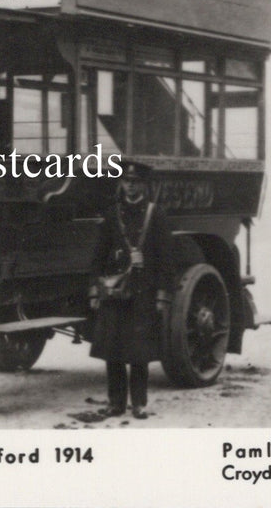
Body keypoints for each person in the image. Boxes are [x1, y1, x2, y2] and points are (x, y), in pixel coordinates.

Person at [90, 163, 176, 419]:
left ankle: (139, 403)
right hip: (116, 291)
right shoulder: (112, 214)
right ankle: (115, 403)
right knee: (113, 350)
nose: (130, 185)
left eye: (135, 181)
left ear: (143, 185)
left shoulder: (155, 214)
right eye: (126, 181)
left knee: (140, 351)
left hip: (143, 291)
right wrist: (95, 290)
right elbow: (98, 255)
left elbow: (166, 258)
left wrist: (162, 295)